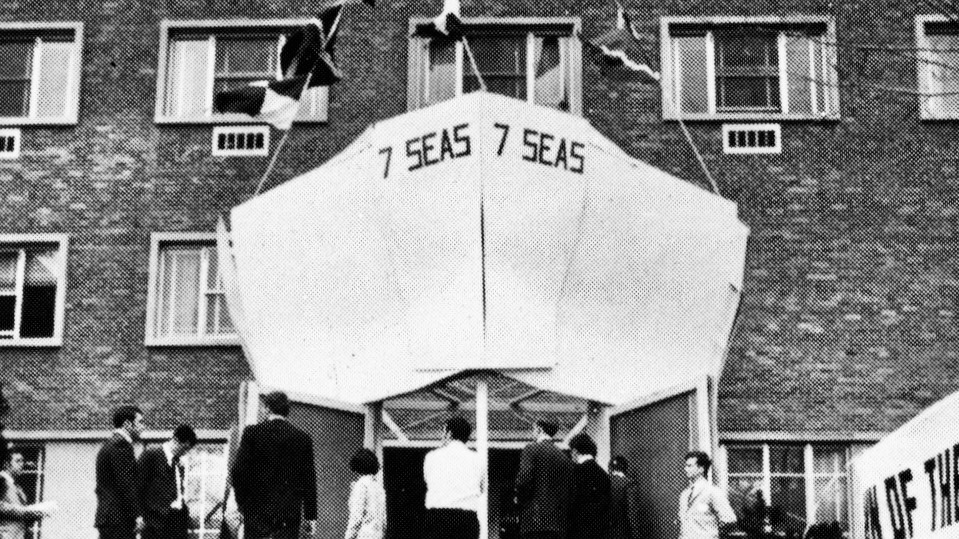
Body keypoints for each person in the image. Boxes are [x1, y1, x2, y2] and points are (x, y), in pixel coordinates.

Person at [231, 391, 317, 539]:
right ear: (286, 411)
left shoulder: (252, 434)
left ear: (267, 408)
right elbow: (309, 480)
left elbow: (238, 472)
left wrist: (243, 505)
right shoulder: (302, 439)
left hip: (256, 514)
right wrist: (310, 516)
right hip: (288, 516)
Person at [422, 416, 484, 539]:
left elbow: (428, 481)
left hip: (439, 516)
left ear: (449, 433)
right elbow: (482, 488)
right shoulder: (477, 459)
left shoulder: (432, 457)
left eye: (443, 431)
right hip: (467, 517)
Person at [514, 420, 574, 539]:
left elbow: (524, 480)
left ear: (540, 429)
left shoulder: (531, 449)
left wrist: (518, 499)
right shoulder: (565, 458)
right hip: (558, 524)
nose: (532, 432)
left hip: (534, 521)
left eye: (534, 429)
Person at [137, 424, 198, 539]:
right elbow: (137, 487)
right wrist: (140, 516)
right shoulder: (151, 455)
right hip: (156, 523)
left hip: (178, 522)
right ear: (175, 440)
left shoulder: (179, 463)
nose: (185, 453)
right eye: (184, 448)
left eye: (187, 450)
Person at [95, 405, 145, 539]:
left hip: (110, 518)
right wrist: (137, 515)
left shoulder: (109, 444)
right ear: (127, 424)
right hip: (119, 520)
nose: (143, 426)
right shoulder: (121, 445)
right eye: (140, 422)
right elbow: (126, 484)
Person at [678, 451, 736, 539]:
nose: (685, 469)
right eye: (685, 466)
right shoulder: (684, 495)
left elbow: (729, 519)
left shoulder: (713, 492)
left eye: (689, 466)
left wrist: (711, 534)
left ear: (701, 469)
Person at [0, 448, 53, 539]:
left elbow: (22, 517)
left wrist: (39, 512)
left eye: (22, 461)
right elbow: (2, 507)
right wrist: (31, 510)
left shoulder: (17, 486)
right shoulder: (1, 481)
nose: (22, 464)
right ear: (6, 464)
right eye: (17, 461)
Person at [568, 433, 611, 539]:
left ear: (575, 451)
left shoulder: (574, 473)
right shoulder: (603, 474)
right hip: (599, 531)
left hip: (578, 530)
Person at [344, 448, 386, 539]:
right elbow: (384, 519)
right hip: (378, 535)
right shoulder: (378, 487)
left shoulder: (361, 485)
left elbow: (356, 516)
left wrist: (348, 536)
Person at [608, 455, 639, 539]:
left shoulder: (604, 482)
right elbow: (632, 511)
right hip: (622, 530)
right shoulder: (629, 483)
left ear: (611, 468)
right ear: (625, 468)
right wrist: (636, 534)